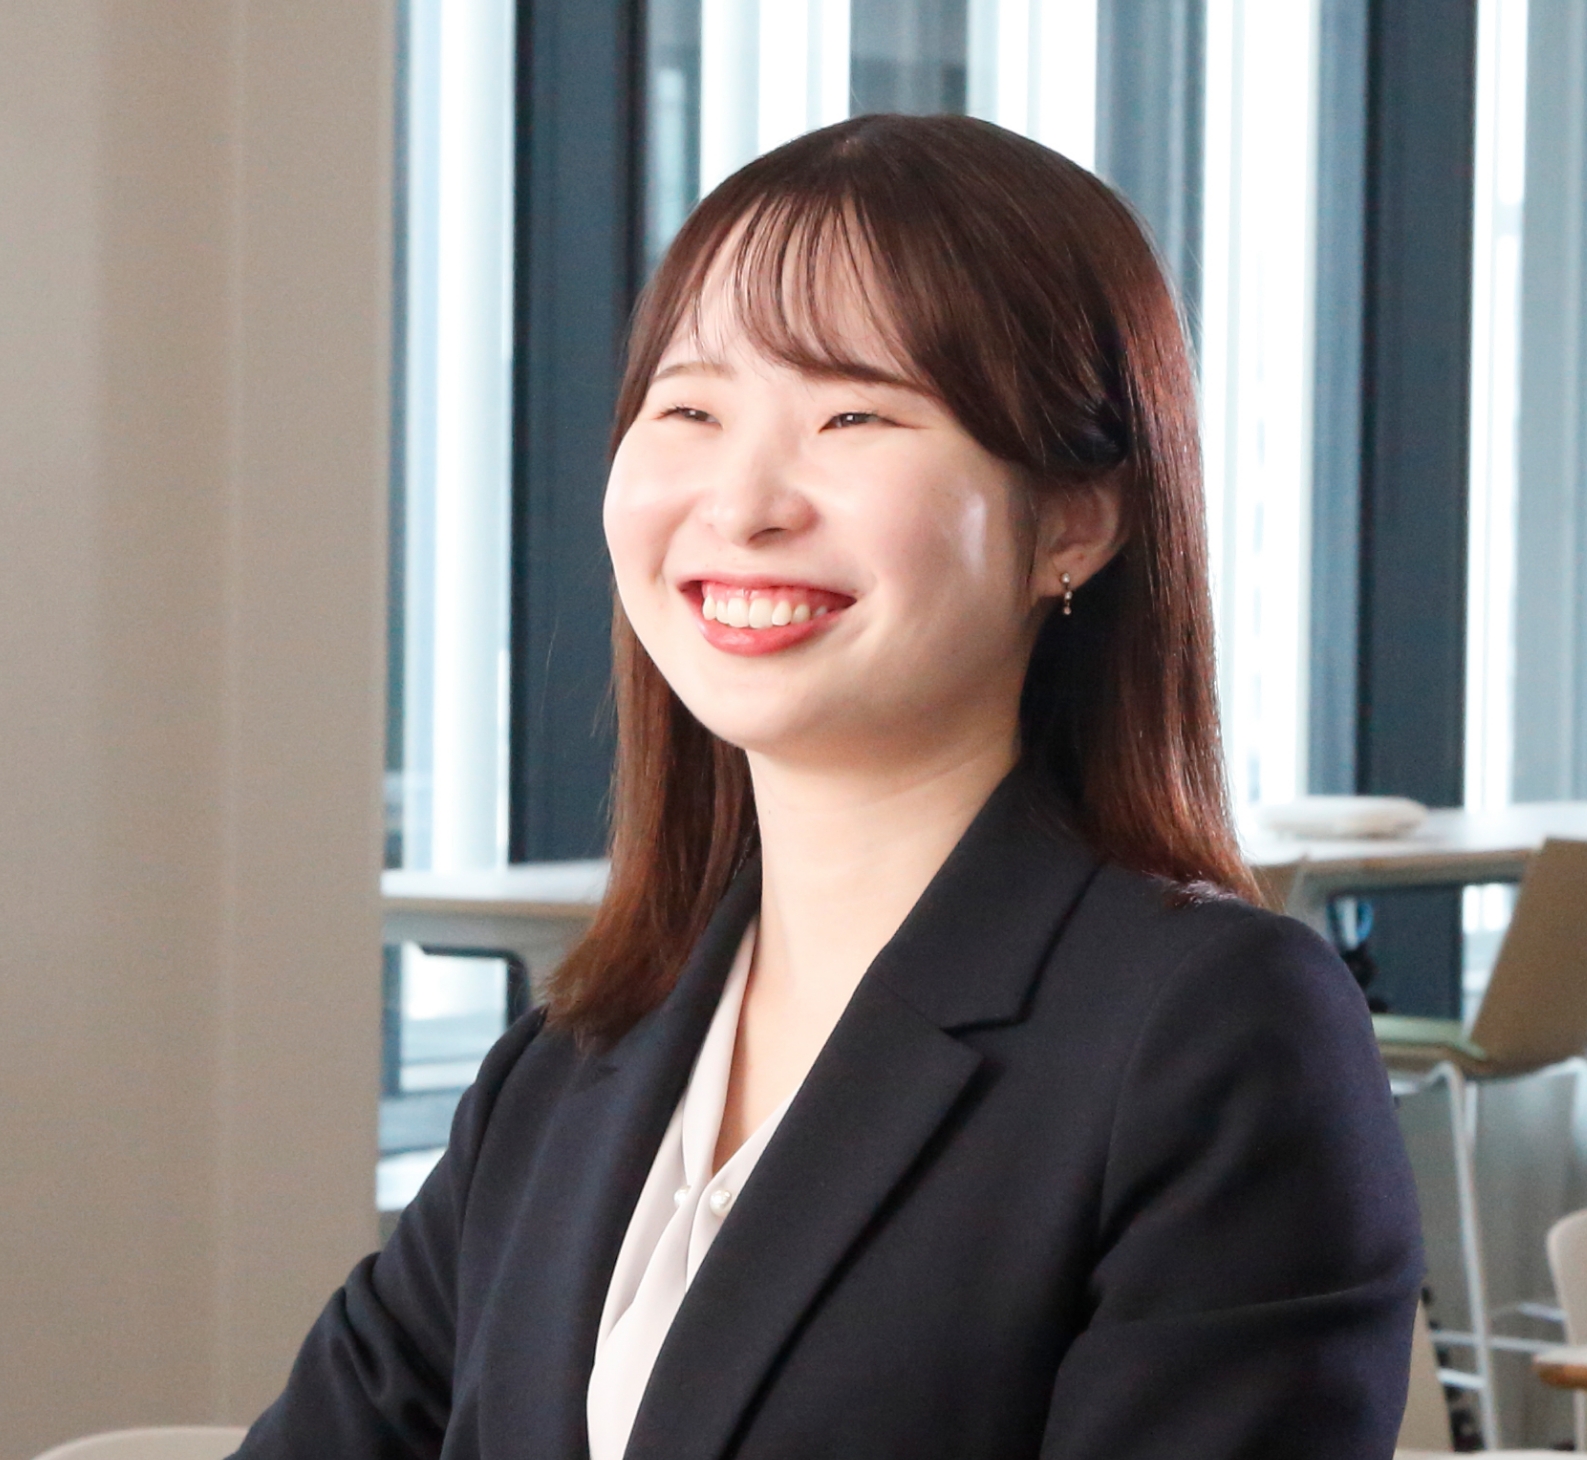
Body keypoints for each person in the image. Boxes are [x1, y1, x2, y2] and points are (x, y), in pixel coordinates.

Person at [235, 114, 1423, 1458]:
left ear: (1075, 522)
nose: (743, 503)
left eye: (854, 414)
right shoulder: (569, 1067)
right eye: (691, 409)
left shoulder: (1215, 1035)